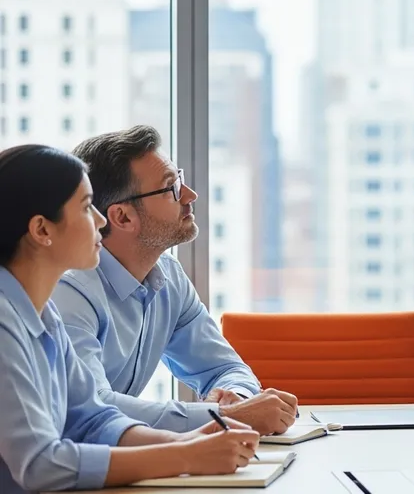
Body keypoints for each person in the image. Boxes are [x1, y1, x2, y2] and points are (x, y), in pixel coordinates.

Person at [0, 144, 260, 493]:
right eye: (85, 207)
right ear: (42, 230)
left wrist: (189, 441)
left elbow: (93, 419)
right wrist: (185, 456)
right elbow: (40, 466)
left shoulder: (41, 313)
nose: (100, 220)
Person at [49, 125, 298, 435]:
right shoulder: (68, 292)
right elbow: (92, 407)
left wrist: (238, 399)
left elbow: (224, 368)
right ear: (123, 217)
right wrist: (222, 416)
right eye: (171, 188)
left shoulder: (168, 276)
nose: (190, 195)